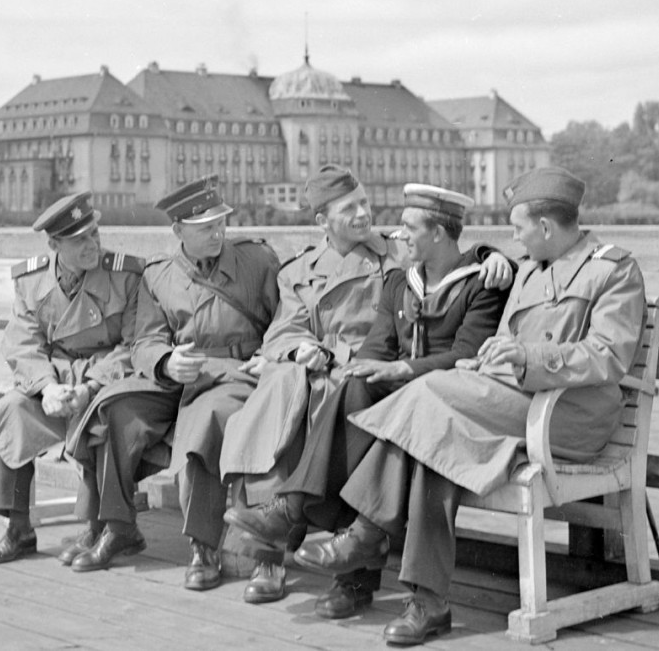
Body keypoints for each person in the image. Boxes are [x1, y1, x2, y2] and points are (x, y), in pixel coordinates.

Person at [297, 166, 647, 646]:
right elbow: (501, 331)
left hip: (569, 419)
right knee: (433, 438)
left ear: (544, 228)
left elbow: (609, 355)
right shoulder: (529, 267)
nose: (513, 236)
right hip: (514, 402)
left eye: (518, 227)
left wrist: (528, 356)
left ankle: (368, 532)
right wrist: (489, 359)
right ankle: (428, 602)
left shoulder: (613, 269)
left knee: (428, 397)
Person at [218, 166, 512, 605]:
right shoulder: (301, 268)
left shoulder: (395, 252)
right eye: (349, 208)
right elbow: (284, 329)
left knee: (341, 407)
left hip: (384, 379)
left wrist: (492, 253)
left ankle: (333, 558)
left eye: (364, 203)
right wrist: (301, 349)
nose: (363, 214)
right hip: (342, 375)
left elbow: (452, 249)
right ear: (322, 221)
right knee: (277, 406)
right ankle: (275, 553)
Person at [66, 174, 280, 583]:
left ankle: (203, 547)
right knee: (116, 407)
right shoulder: (159, 275)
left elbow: (285, 319)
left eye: (221, 224)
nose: (217, 234)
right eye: (205, 229)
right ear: (178, 230)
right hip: (179, 376)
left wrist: (269, 355)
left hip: (233, 375)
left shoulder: (257, 261)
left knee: (204, 420)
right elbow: (144, 341)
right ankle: (118, 526)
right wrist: (165, 361)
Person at [0, 191, 143, 565]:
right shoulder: (30, 280)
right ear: (54, 244)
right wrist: (47, 387)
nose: (92, 245)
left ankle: (98, 526)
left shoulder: (125, 275)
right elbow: (21, 343)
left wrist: (90, 386)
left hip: (104, 382)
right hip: (54, 381)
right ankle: (18, 529)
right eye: (80, 239)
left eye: (94, 234)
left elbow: (134, 345)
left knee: (104, 419)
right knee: (12, 409)